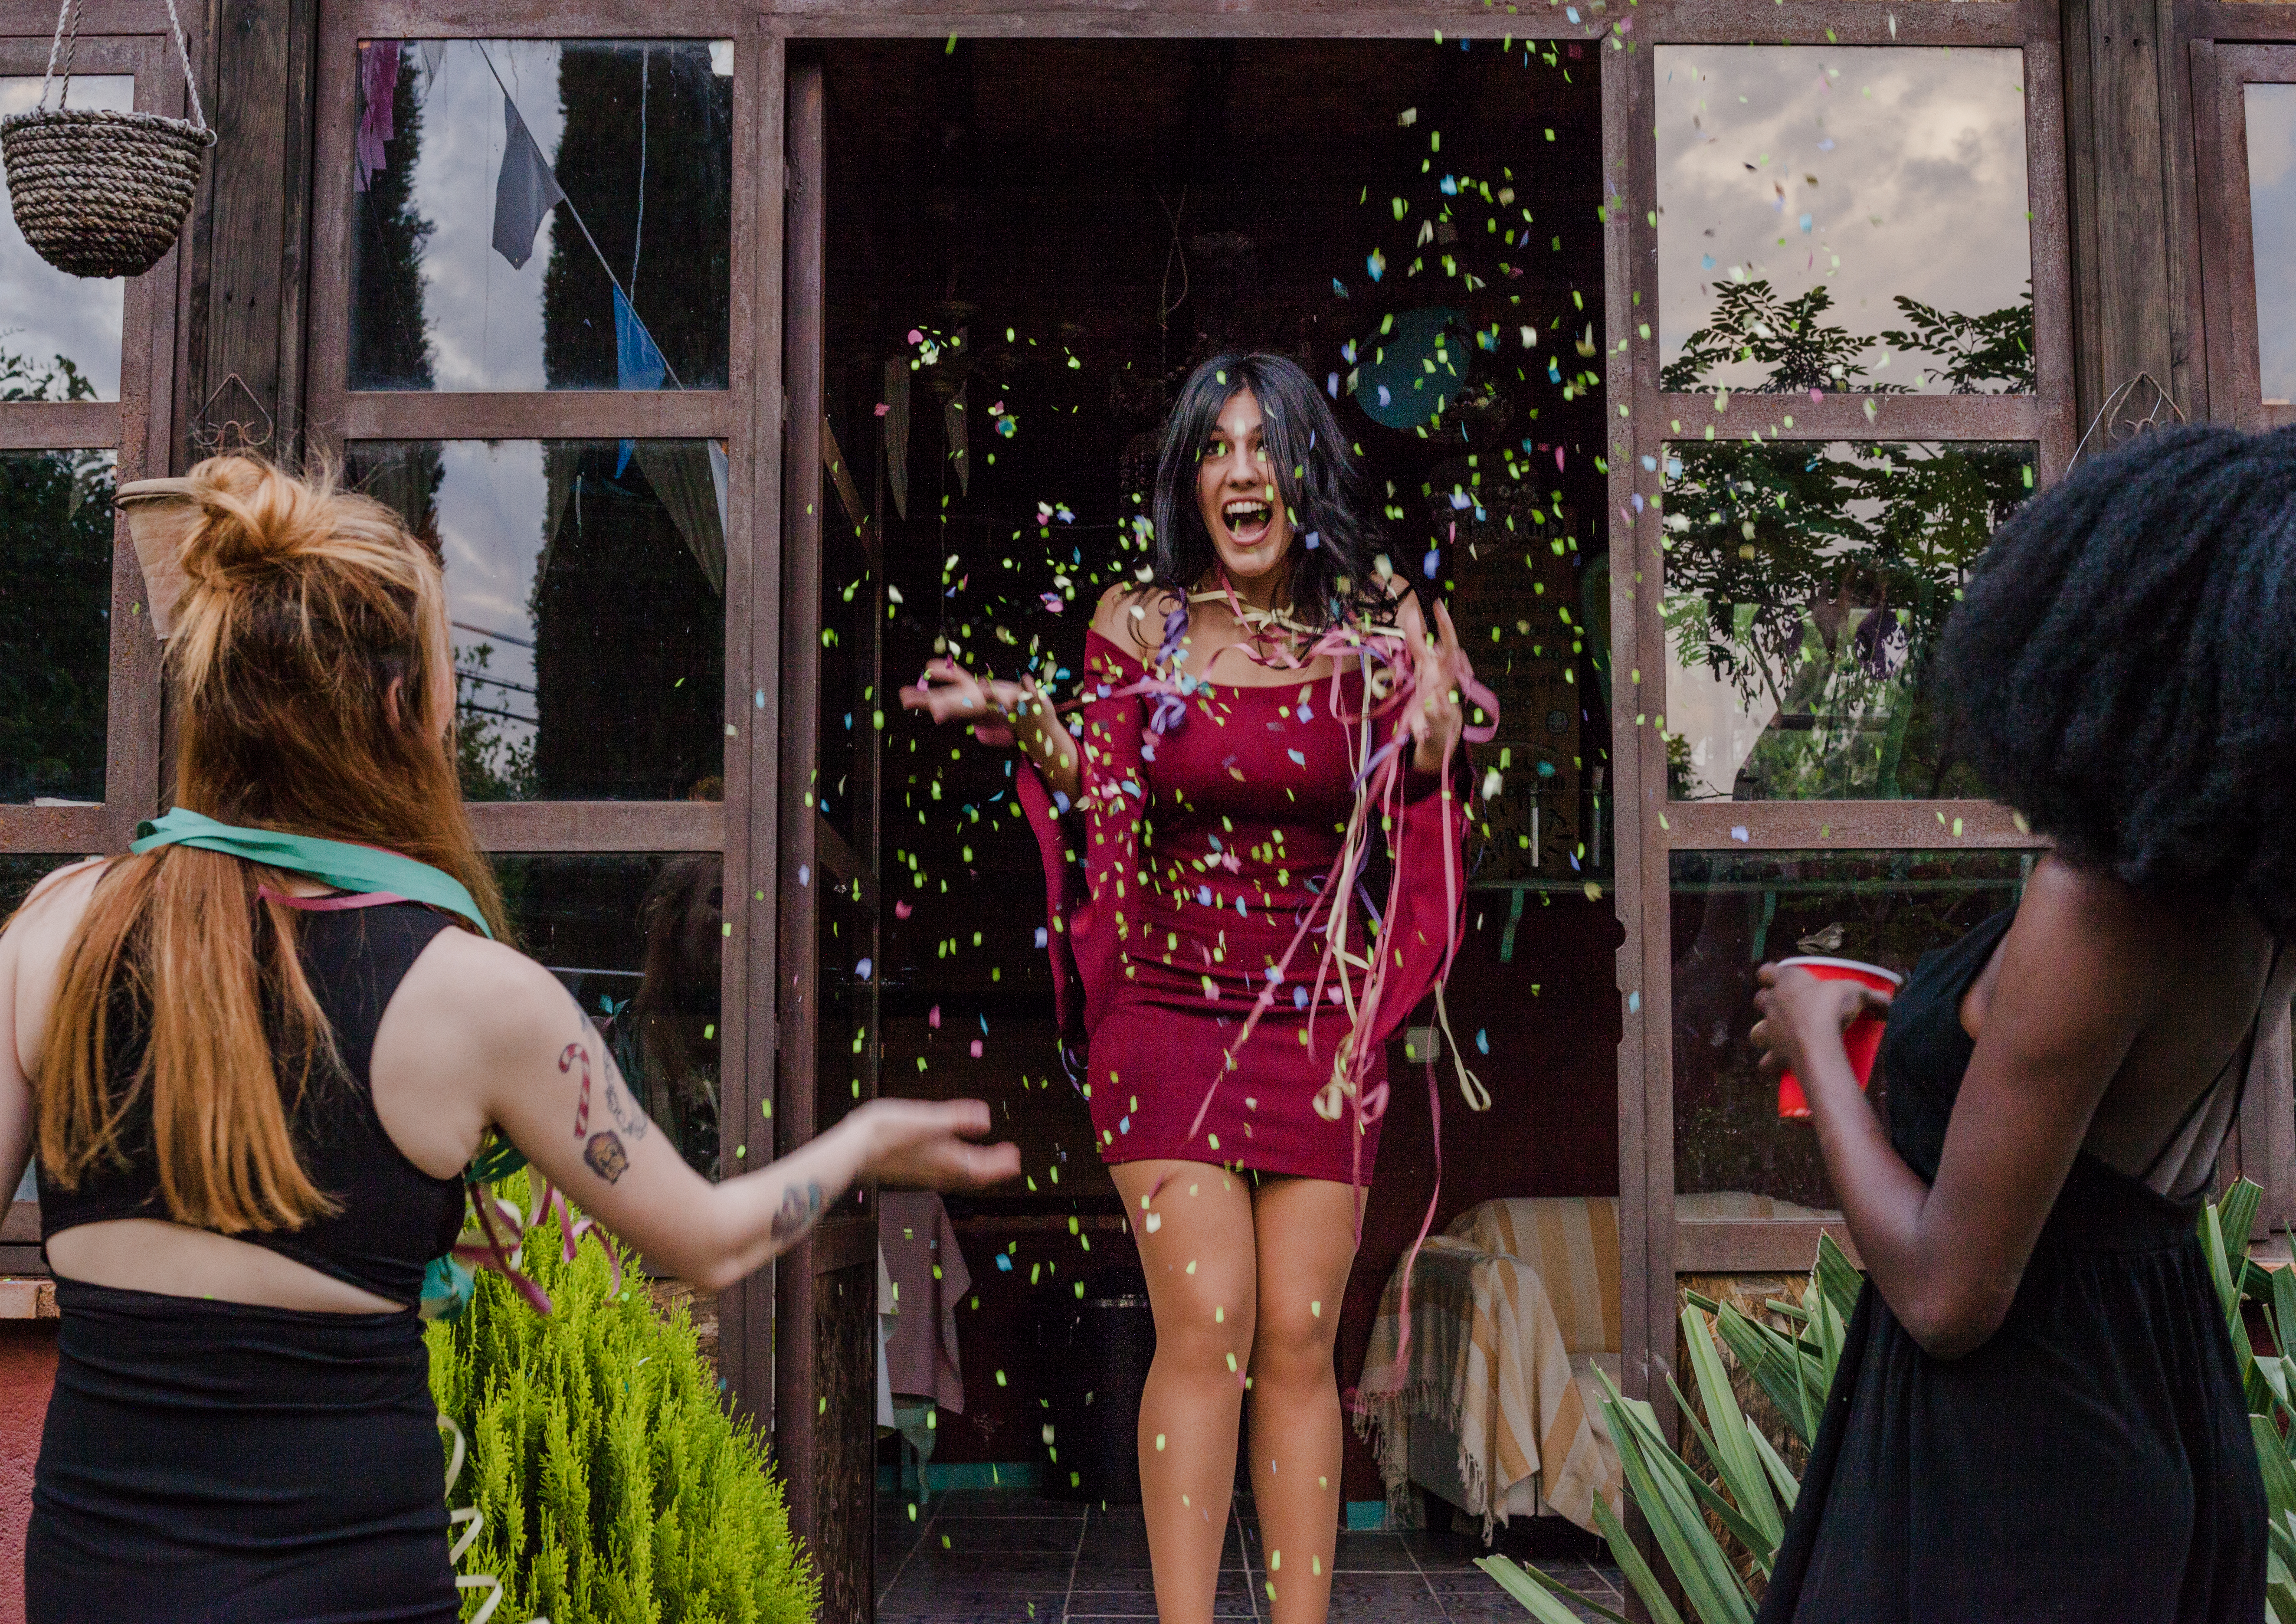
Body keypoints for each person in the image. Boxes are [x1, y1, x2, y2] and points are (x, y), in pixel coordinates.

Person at [0, 455, 1019, 1622]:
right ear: (401, 714)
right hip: (350, 1595)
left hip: (92, 1586)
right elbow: (706, 1240)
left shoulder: (52, 929)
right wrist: (866, 1141)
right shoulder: (478, 997)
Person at [1747, 296, 2296, 1621]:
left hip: (2015, 1484)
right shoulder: (2271, 865)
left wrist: (1822, 1046)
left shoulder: (2102, 905)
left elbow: (1952, 1294)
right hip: (2153, 1422)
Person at [899, 350, 1487, 1624]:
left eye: (1263, 444)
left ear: (1304, 467)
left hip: (1318, 1026)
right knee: (1211, 1319)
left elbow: (1422, 783)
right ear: (1191, 480)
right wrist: (1037, 724)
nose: (1241, 469)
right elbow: (1104, 789)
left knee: (1296, 1345)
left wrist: (1434, 742)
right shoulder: (1136, 621)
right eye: (1215, 448)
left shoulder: (1375, 622)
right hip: (1167, 1008)